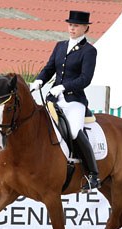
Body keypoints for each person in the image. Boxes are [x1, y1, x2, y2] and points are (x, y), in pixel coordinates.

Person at [31, 10, 101, 193]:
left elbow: (86, 78)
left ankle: (93, 174)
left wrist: (64, 87)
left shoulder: (89, 51)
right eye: (70, 25)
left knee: (76, 131)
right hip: (53, 99)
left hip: (74, 100)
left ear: (85, 28)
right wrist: (39, 80)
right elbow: (49, 69)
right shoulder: (60, 46)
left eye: (76, 25)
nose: (72, 28)